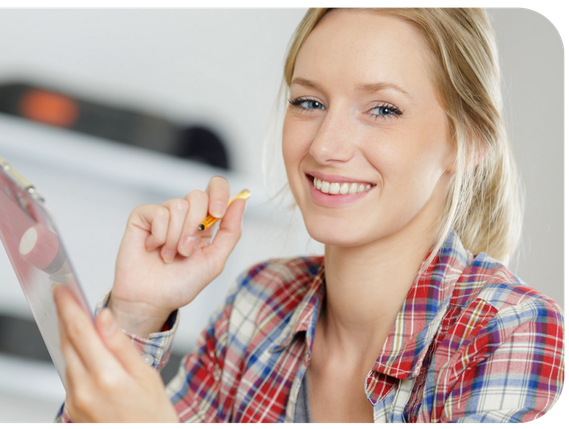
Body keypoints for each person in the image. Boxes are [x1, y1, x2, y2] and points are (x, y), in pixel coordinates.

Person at [51, 6, 565, 424]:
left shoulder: (511, 334)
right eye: (309, 102)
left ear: (469, 141)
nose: (325, 146)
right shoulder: (257, 308)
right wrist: (136, 316)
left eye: (382, 109)